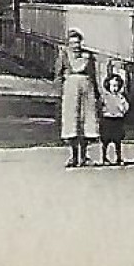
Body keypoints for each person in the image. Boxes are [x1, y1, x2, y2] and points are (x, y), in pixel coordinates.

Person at [56, 30, 100, 167]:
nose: (76, 45)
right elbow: (58, 73)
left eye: (78, 42)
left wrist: (97, 93)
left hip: (87, 88)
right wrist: (59, 91)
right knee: (72, 121)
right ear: (68, 44)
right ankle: (73, 156)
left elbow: (93, 74)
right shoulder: (64, 55)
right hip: (70, 88)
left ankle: (84, 155)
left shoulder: (88, 56)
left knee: (86, 120)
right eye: (73, 42)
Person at [99, 68, 130, 166]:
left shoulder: (120, 97)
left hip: (117, 119)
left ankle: (119, 157)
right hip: (107, 119)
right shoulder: (105, 97)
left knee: (117, 140)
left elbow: (125, 106)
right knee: (105, 141)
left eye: (117, 86)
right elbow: (100, 106)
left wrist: (123, 110)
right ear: (108, 85)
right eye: (113, 86)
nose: (115, 88)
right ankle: (104, 157)